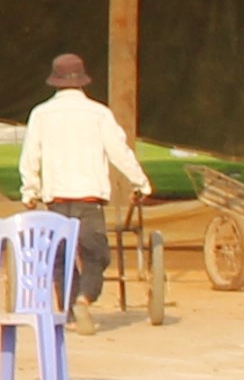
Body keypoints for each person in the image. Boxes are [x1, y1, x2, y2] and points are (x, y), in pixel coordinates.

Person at [13, 50, 148, 309]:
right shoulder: (99, 114)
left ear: (56, 81)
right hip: (89, 200)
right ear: (82, 81)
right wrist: (140, 182)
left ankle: (70, 313)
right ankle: (85, 297)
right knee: (95, 255)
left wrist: (29, 190)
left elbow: (30, 155)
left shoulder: (41, 114)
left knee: (60, 258)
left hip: (57, 201)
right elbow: (119, 152)